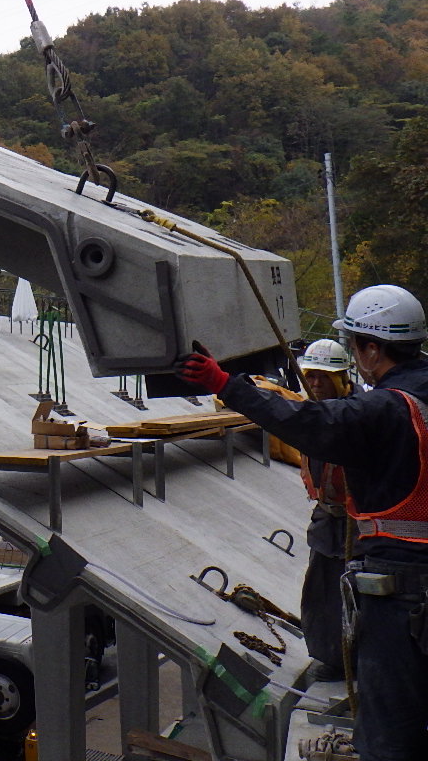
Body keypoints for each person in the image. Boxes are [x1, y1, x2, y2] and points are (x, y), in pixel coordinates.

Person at [175, 284, 428, 760]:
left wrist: (223, 383)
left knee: (391, 732)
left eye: (355, 345)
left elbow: (308, 423)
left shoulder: (386, 409)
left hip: (403, 593)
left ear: (373, 350)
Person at [293, 338, 360, 679]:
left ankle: (361, 660)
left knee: (359, 595)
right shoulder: (310, 414)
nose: (316, 383)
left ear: (341, 379)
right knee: (321, 592)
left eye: (323, 376)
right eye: (311, 376)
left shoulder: (358, 414)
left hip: (359, 525)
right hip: (326, 522)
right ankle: (332, 657)